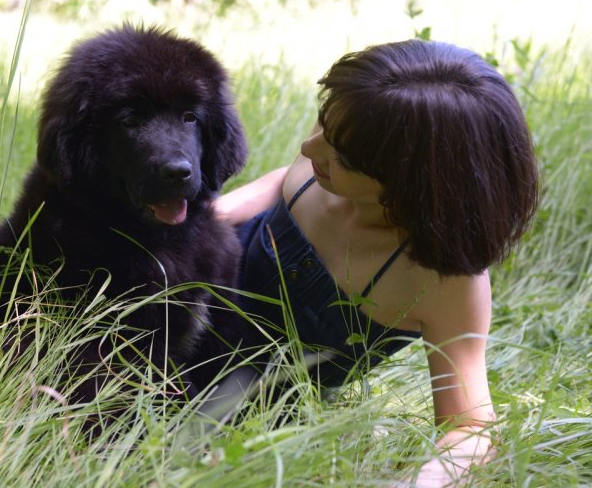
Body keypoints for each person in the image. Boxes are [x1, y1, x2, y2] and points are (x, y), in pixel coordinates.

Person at [214, 39, 539, 485]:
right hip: (175, 306)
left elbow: (470, 427)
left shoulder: (442, 281)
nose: (310, 149)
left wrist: (418, 482)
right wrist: (207, 220)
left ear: (417, 182)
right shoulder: (345, 136)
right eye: (324, 121)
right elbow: (283, 183)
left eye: (341, 156)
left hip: (232, 405)